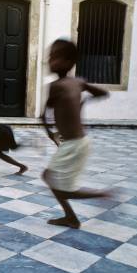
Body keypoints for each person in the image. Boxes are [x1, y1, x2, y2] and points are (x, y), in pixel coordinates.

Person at [42, 39, 110, 229]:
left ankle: (100, 195)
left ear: (68, 62)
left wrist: (51, 133)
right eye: (50, 56)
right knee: (51, 179)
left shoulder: (56, 86)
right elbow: (102, 93)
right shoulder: (78, 82)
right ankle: (71, 217)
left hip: (74, 144)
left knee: (60, 187)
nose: (50, 60)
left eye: (54, 57)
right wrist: (82, 101)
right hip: (77, 142)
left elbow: (43, 115)